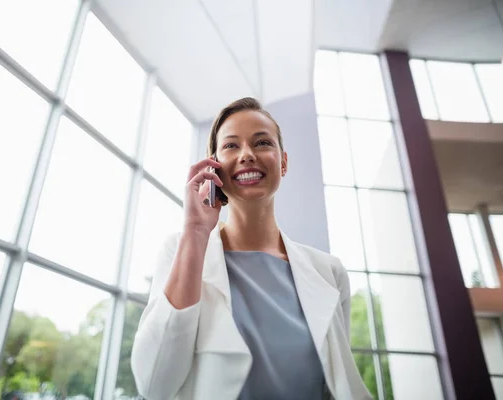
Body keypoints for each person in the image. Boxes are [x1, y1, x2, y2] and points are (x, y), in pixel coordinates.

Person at [131, 98, 372, 400]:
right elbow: (155, 384)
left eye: (261, 143)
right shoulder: (182, 250)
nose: (247, 155)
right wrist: (195, 230)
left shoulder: (329, 272)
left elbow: (337, 384)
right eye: (231, 146)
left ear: (283, 162)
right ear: (213, 166)